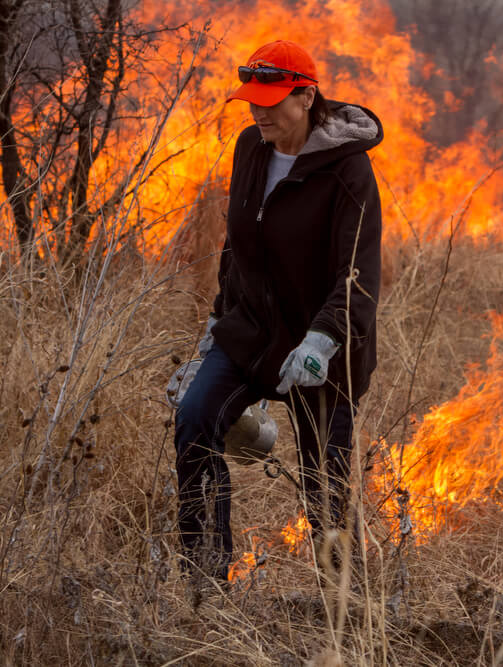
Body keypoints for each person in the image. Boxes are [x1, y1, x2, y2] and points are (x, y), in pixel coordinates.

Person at [172, 40, 382, 583]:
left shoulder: (348, 171)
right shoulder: (251, 148)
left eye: (271, 101)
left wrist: (321, 341)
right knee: (195, 419)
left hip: (322, 351)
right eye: (252, 101)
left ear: (306, 95)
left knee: (325, 482)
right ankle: (204, 580)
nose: (259, 111)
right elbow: (236, 249)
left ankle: (342, 602)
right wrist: (214, 332)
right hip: (248, 336)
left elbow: (357, 276)